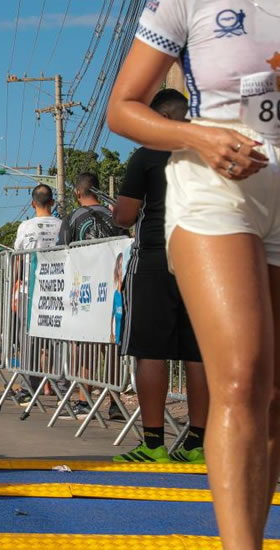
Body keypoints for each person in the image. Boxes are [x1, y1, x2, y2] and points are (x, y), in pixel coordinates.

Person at [107, 1, 278, 546]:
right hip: (214, 188)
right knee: (242, 376)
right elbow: (122, 109)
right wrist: (200, 137)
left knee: (273, 395)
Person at [111, 89, 209, 465]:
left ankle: (153, 444)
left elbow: (124, 215)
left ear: (163, 117)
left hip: (156, 257)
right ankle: (198, 443)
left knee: (150, 350)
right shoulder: (206, 152)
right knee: (197, 353)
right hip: (203, 259)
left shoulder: (148, 154)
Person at [57, 172, 128, 420]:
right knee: (111, 347)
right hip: (112, 289)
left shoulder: (72, 218)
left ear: (78, 192)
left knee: (85, 346)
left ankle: (84, 401)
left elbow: (62, 253)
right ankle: (115, 403)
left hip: (84, 291)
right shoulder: (114, 215)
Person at [13, 184, 62, 403]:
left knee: (28, 340)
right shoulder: (61, 225)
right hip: (57, 290)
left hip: (29, 289)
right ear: (52, 202)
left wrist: (14, 287)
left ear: (33, 204)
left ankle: (28, 388)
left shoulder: (25, 227)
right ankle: (63, 388)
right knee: (57, 340)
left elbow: (17, 258)